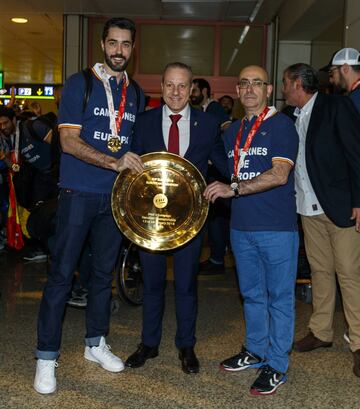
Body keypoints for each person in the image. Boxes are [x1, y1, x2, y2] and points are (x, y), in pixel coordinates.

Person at [33, 17, 145, 395]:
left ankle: (95, 343)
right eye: (113, 43)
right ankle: (46, 358)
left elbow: (130, 146)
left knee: (102, 275)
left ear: (132, 48)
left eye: (126, 44)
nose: (119, 51)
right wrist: (112, 162)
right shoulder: (80, 84)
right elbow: (68, 141)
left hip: (114, 199)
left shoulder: (137, 93)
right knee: (62, 276)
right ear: (102, 45)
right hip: (78, 193)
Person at [125, 62, 228, 375]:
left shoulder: (208, 124)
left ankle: (186, 346)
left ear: (192, 89)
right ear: (161, 86)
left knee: (185, 286)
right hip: (151, 220)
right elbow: (130, 167)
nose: (176, 92)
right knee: (152, 284)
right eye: (170, 85)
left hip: (190, 220)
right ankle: (149, 344)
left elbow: (222, 164)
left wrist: (232, 181)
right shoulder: (142, 123)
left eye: (182, 86)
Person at [204, 65, 299, 396]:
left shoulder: (282, 126)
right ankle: (255, 351)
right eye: (243, 84)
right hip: (241, 228)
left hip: (276, 228)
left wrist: (234, 189)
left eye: (256, 83)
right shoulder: (232, 132)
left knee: (280, 299)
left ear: (269, 89)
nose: (249, 89)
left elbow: (279, 175)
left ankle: (276, 364)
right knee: (252, 295)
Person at [281, 63, 360, 378]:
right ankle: (321, 332)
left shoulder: (335, 106)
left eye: (286, 84)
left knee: (350, 274)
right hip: (307, 207)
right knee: (320, 271)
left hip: (340, 206)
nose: (284, 90)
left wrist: (359, 202)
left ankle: (358, 343)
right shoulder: (292, 117)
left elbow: (357, 154)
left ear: (298, 84)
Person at [191, 78, 232, 275]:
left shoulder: (214, 108)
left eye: (195, 90)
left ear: (205, 91)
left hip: (217, 173)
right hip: (210, 172)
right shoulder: (200, 110)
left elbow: (227, 127)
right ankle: (214, 258)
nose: (191, 94)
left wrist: (215, 154)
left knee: (215, 218)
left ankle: (217, 260)